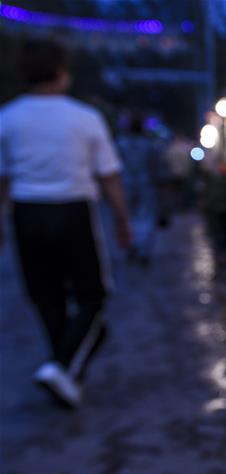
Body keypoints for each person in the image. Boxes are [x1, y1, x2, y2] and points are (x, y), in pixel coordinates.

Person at [0, 38, 132, 408]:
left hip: (26, 214)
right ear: (62, 72)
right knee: (94, 296)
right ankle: (61, 366)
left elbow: (3, 179)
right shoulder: (84, 118)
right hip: (73, 212)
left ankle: (63, 371)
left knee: (47, 297)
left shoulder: (7, 118)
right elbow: (109, 176)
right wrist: (122, 219)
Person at [117, 112, 160, 265]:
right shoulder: (149, 145)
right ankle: (142, 248)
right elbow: (155, 166)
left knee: (128, 216)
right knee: (145, 217)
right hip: (144, 183)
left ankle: (132, 246)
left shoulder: (121, 143)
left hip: (126, 183)